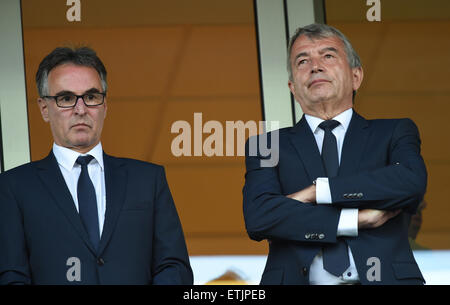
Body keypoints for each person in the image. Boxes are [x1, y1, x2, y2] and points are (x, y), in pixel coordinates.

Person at [243, 24, 427, 285]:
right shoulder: (266, 144)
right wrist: (354, 219)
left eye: (328, 56)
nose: (315, 66)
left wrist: (316, 192)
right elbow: (260, 217)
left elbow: (410, 182)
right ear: (292, 87)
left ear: (356, 77)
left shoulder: (393, 131)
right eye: (302, 60)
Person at [0, 47, 193, 285]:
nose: (80, 109)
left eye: (91, 97)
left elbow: (174, 267)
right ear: (44, 109)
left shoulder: (147, 180)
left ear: (105, 105)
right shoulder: (14, 187)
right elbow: (11, 275)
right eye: (67, 99)